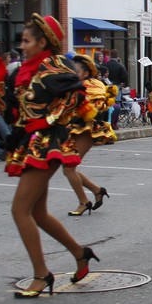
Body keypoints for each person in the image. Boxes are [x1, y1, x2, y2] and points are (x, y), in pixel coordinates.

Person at [3, 14, 96, 298]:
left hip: (47, 145)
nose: (22, 45)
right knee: (37, 213)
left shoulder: (53, 68)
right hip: (29, 143)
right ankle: (80, 254)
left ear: (42, 42)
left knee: (20, 209)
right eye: (21, 40)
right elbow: (12, 110)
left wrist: (48, 121)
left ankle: (42, 274)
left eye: (27, 40)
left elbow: (76, 96)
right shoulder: (26, 70)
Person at [62, 54, 116, 215]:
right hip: (73, 128)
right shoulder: (74, 85)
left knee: (69, 167)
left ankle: (84, 202)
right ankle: (97, 190)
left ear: (86, 73)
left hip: (87, 129)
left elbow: (97, 107)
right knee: (67, 168)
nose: (72, 73)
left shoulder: (93, 85)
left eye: (76, 70)